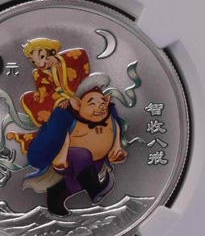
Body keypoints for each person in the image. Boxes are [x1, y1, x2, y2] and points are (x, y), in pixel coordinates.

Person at [25, 73, 128, 216]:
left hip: (96, 161)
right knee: (82, 156)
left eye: (102, 103)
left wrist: (116, 148)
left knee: (79, 180)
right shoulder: (67, 116)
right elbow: (54, 136)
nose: (100, 107)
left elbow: (117, 128)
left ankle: (55, 198)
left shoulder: (111, 114)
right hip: (68, 160)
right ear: (77, 105)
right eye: (92, 103)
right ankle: (95, 190)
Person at [6, 37, 90, 154]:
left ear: (52, 52)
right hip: (57, 100)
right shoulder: (39, 73)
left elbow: (81, 54)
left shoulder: (61, 60)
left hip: (76, 97)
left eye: (41, 56)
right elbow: (45, 91)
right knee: (31, 100)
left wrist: (60, 60)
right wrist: (62, 99)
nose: (40, 64)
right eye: (34, 62)